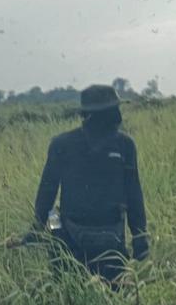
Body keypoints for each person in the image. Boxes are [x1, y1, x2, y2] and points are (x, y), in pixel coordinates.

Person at [33, 84, 149, 283]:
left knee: (54, 218)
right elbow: (133, 195)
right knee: (114, 297)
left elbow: (47, 192)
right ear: (103, 115)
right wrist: (140, 238)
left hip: (91, 234)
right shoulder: (123, 145)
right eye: (115, 110)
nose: (119, 115)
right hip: (104, 236)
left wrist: (37, 228)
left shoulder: (62, 144)